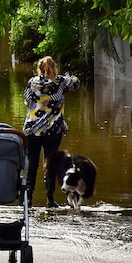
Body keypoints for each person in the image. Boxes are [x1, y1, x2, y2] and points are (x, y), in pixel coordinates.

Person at [22, 56, 80, 207]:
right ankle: (50, 199)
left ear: (39, 69)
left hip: (32, 130)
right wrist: (68, 76)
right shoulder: (60, 82)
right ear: (54, 68)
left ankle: (28, 199)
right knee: (50, 164)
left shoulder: (31, 83)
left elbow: (27, 102)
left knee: (31, 164)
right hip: (52, 131)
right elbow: (76, 83)